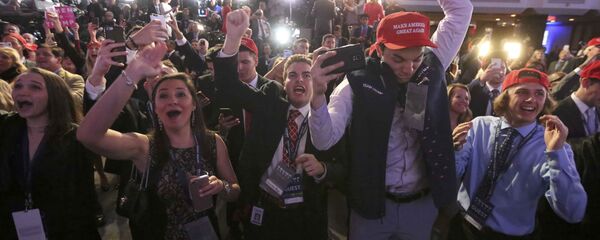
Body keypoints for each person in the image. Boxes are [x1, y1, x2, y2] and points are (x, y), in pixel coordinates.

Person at [309, 0, 473, 238]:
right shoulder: (357, 81)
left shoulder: (433, 64)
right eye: (398, 59)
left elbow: (462, 9)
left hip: (421, 205)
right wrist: (318, 96)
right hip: (371, 206)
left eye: (416, 59)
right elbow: (324, 140)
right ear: (379, 50)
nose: (409, 68)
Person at [77, 41, 240, 239]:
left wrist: (221, 187)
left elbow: (235, 191)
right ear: (154, 106)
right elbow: (88, 135)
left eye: (181, 94)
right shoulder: (143, 146)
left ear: (194, 104)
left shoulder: (212, 142)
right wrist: (131, 74)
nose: (173, 100)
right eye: (163, 96)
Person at [215, 10, 338, 239]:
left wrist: (323, 169)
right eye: (293, 75)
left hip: (306, 216)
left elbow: (344, 166)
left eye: (306, 75)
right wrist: (232, 38)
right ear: (284, 81)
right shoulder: (269, 104)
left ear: (316, 81)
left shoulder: (328, 118)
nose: (299, 80)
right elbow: (227, 85)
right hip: (265, 210)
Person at [451, 68, 586, 239]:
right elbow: (452, 176)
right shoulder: (479, 126)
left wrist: (556, 154)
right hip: (462, 225)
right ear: (505, 96)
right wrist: (454, 151)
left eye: (539, 93)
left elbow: (573, 212)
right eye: (522, 92)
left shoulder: (552, 145)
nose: (531, 99)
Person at [0, 67, 100, 239]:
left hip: (61, 228)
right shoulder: (6, 127)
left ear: (55, 95)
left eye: (35, 87)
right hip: (11, 225)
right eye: (18, 86)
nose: (23, 92)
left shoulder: (74, 137)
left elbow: (83, 197)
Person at [467, 52, 508, 118]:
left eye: (503, 68)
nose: (500, 72)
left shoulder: (508, 92)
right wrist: (482, 79)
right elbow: (466, 92)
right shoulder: (477, 89)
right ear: (486, 69)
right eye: (495, 68)